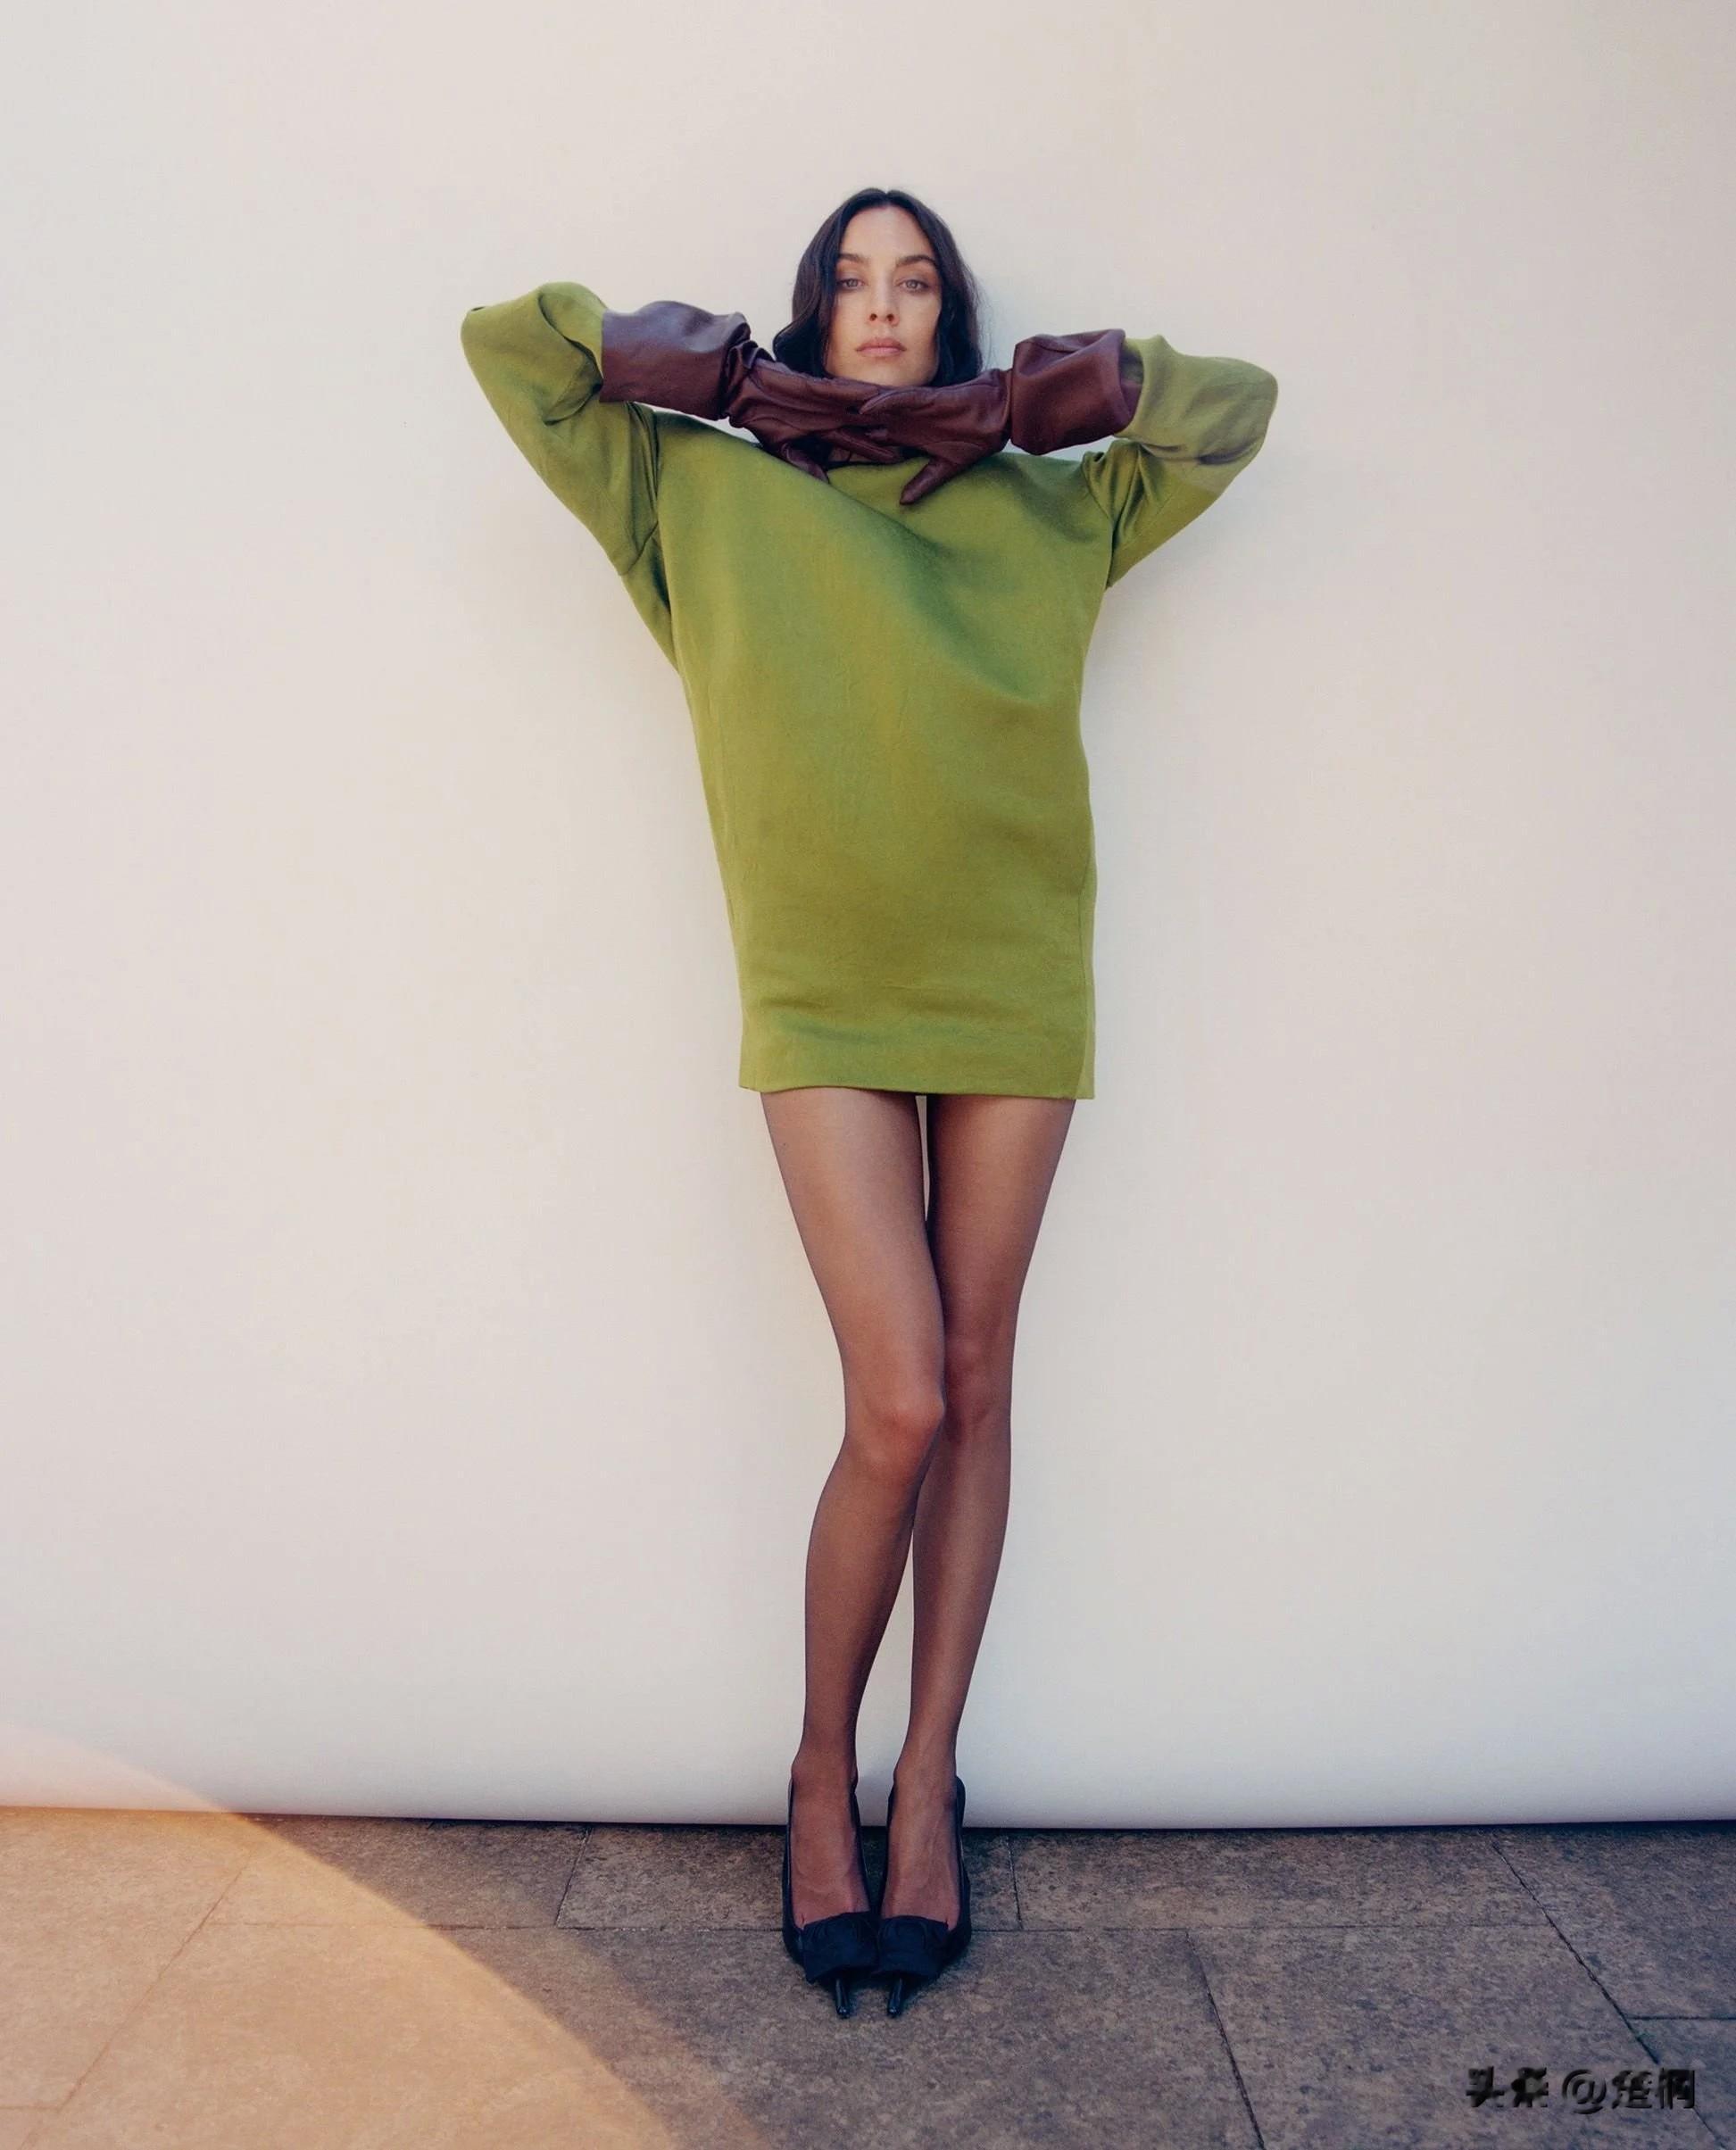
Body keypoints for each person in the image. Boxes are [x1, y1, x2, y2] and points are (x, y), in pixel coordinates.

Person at [460, 184, 1278, 2017]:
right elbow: (513, 352)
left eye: (915, 282)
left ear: (954, 313)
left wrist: (1045, 400)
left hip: (1010, 967)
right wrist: (729, 384)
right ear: (811, 308)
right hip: (823, 982)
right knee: (894, 1397)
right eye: (851, 280)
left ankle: (927, 1786)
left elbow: (1233, 412)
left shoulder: (1053, 502)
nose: (884, 306)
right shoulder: (697, 490)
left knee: (975, 1379)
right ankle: (818, 1767)